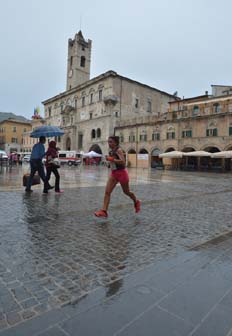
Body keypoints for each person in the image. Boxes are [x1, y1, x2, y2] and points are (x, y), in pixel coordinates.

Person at [94, 136, 141, 218]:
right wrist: (109, 163)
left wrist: (112, 159)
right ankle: (104, 211)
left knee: (126, 192)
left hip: (122, 173)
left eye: (111, 142)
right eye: (108, 142)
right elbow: (113, 162)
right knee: (107, 192)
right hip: (114, 173)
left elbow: (123, 162)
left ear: (115, 142)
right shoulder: (111, 151)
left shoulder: (119, 150)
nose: (109, 143)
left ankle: (136, 201)